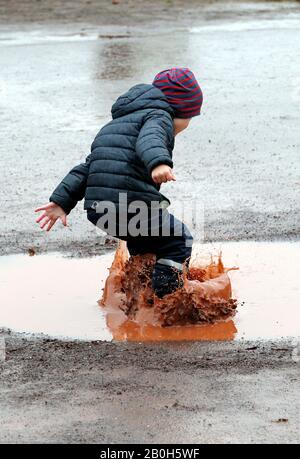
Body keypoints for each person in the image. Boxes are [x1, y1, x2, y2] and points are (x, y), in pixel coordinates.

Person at [35, 68, 203, 298]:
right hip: (130, 204)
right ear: (179, 109)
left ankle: (137, 292)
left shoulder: (117, 125)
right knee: (177, 239)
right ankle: (168, 298)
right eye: (190, 117)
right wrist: (158, 163)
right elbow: (150, 139)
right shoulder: (160, 117)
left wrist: (61, 201)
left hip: (99, 211)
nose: (188, 124)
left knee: (144, 242)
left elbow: (87, 167)